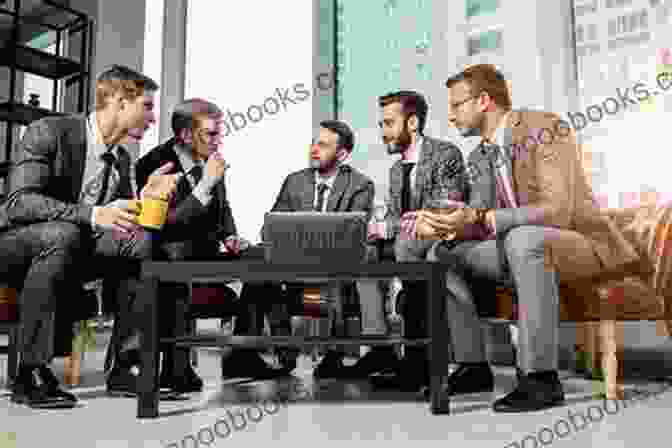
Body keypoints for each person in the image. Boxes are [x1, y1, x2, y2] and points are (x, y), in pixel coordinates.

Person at [416, 63, 641, 412]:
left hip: (579, 242)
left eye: (457, 105)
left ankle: (540, 378)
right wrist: (447, 224)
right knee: (441, 254)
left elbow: (559, 210)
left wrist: (482, 217)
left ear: (484, 101)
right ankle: (473, 365)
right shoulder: (480, 155)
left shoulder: (543, 127)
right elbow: (480, 218)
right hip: (519, 245)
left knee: (524, 240)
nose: (451, 116)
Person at [0, 64, 180, 408]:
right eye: (147, 106)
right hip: (16, 243)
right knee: (63, 233)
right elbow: (19, 203)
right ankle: (31, 371)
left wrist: (146, 200)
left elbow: (119, 219)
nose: (153, 118)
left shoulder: (123, 160)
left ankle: (125, 366)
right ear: (117, 101)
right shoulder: (48, 131)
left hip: (72, 245)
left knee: (139, 241)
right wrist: (95, 214)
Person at [228, 120, 383, 380]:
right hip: (292, 279)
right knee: (257, 267)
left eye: (323, 145)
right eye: (314, 142)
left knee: (341, 281)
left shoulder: (360, 185)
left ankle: (333, 357)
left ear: (342, 154)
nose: (314, 149)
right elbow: (271, 230)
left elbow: (354, 237)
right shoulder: (295, 182)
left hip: (331, 281)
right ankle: (244, 355)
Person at [124, 98, 243, 394]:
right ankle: (172, 367)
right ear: (186, 135)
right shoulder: (154, 164)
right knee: (174, 257)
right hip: (167, 251)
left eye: (220, 133)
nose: (219, 141)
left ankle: (245, 356)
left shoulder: (210, 161)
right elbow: (165, 224)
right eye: (211, 134)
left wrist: (230, 235)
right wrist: (205, 186)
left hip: (205, 251)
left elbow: (222, 207)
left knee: (262, 263)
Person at [367, 90, 468, 393]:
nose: (382, 131)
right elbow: (401, 219)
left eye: (388, 123)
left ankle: (417, 364)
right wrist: (380, 229)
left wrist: (389, 227)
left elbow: (444, 209)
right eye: (381, 124)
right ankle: (381, 351)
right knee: (369, 251)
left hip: (442, 237)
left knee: (404, 248)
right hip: (409, 245)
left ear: (412, 123)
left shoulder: (445, 154)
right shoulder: (397, 170)